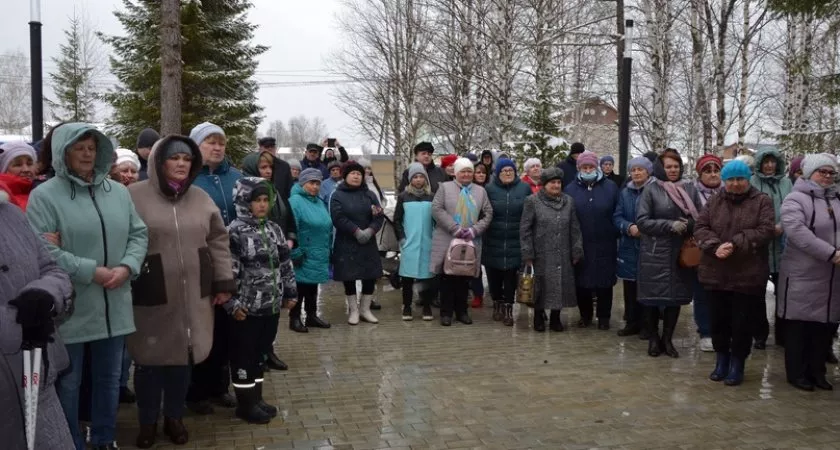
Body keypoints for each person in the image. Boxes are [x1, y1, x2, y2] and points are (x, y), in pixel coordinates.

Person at [26, 123, 149, 450]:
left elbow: (138, 234)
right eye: (78, 147)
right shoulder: (44, 196)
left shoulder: (118, 192)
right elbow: (43, 249)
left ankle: (105, 439)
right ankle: (72, 442)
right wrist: (90, 271)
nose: (86, 153)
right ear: (63, 152)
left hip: (115, 303)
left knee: (109, 381)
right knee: (70, 384)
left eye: (92, 148)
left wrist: (127, 267)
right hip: (72, 309)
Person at [127, 136, 235, 447]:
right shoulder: (134, 196)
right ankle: (147, 421)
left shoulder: (200, 198)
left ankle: (174, 418)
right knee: (149, 363)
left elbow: (218, 240)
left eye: (186, 159)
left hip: (194, 295)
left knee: (181, 362)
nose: (181, 164)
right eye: (174, 158)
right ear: (158, 162)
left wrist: (223, 282)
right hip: (149, 293)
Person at [0, 188, 75, 450]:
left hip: (38, 377)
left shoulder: (10, 214)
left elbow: (51, 267)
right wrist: (16, 322)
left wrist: (45, 294)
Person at [694, 160, 775, 386]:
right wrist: (714, 245)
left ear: (748, 180)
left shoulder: (761, 201)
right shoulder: (714, 200)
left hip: (747, 274)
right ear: (724, 181)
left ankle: (737, 363)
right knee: (719, 322)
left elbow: (765, 230)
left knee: (741, 324)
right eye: (731, 179)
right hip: (716, 272)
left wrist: (737, 243)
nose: (736, 184)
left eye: (740, 179)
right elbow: (700, 227)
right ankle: (722, 360)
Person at [225, 177, 297, 424]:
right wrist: (232, 303)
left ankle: (256, 398)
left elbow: (285, 264)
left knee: (260, 355)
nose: (263, 205)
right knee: (244, 356)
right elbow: (228, 272)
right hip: (246, 309)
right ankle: (245, 404)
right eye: (257, 200)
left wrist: (290, 292)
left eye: (266, 200)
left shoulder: (274, 229)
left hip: (271, 306)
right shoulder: (235, 231)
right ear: (245, 202)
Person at [187, 121, 241, 414]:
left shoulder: (237, 177)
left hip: (235, 265)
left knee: (226, 329)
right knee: (200, 328)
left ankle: (220, 387)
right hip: (200, 264)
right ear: (197, 146)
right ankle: (196, 391)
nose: (218, 147)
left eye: (221, 142)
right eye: (210, 142)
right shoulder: (189, 178)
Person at [777, 154, 840, 391]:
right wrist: (831, 253)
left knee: (824, 327)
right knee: (799, 327)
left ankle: (818, 371)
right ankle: (797, 373)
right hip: (803, 275)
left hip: (832, 276)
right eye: (821, 172)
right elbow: (797, 232)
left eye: (830, 172)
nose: (826, 176)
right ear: (808, 173)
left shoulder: (837, 198)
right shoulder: (795, 199)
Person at [636, 148, 701, 359]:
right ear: (660, 168)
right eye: (669, 167)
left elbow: (701, 219)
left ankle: (668, 339)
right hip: (655, 253)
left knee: (675, 298)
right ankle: (654, 339)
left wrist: (689, 224)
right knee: (653, 299)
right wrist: (669, 225)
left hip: (680, 254)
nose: (673, 170)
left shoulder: (690, 189)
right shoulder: (651, 190)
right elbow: (642, 221)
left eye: (676, 166)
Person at [244, 145, 297, 371]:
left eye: (270, 167)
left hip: (278, 252)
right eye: (262, 167)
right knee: (256, 314)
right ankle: (255, 355)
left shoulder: (273, 191)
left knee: (273, 312)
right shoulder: (245, 194)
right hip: (255, 260)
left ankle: (268, 350)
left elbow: (287, 215)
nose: (267, 171)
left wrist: (291, 237)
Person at [430, 158, 493, 326]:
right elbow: (436, 209)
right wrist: (454, 228)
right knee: (447, 277)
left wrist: (475, 230)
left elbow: (488, 213)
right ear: (456, 173)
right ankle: (446, 312)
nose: (466, 174)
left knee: (465, 277)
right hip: (447, 237)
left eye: (469, 171)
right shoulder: (444, 188)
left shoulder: (480, 191)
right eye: (462, 171)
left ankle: (462, 311)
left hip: (470, 239)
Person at [520, 167, 583, 332]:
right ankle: (538, 316)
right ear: (544, 184)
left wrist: (576, 249)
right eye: (552, 183)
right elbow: (525, 229)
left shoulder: (569, 201)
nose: (556, 185)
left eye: (558, 182)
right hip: (540, 252)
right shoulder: (532, 201)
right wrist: (528, 252)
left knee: (560, 285)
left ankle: (556, 318)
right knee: (540, 286)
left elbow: (574, 227)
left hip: (563, 250)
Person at [565, 151, 619, 330]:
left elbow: (617, 212)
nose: (588, 170)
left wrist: (613, 232)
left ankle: (604, 317)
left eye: (591, 167)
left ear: (597, 167)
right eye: (584, 167)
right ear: (579, 168)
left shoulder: (610, 187)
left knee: (604, 282)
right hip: (581, 242)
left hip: (605, 242)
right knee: (582, 282)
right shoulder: (570, 189)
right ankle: (585, 315)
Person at [330, 160, 385, 325]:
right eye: (353, 173)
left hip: (368, 241)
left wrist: (370, 231)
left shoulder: (370, 195)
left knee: (370, 276)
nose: (356, 176)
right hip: (347, 241)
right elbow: (338, 217)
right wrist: (355, 231)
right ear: (345, 176)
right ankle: (353, 310)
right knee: (349, 277)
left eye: (359, 174)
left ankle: (365, 310)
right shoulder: (337, 195)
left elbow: (378, 216)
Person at [750, 148, 792, 349]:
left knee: (784, 293)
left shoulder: (787, 183)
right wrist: (766, 229)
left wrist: (783, 225)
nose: (769, 165)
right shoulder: (752, 183)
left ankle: (783, 334)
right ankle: (760, 334)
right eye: (765, 161)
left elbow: (793, 207)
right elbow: (748, 212)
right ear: (759, 163)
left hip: (784, 246)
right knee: (757, 294)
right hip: (760, 248)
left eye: (772, 161)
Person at [483, 158, 532, 325]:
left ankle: (508, 309)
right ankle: (497, 304)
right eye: (504, 171)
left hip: (515, 240)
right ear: (498, 174)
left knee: (511, 277)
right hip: (493, 240)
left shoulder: (524, 188)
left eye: (511, 170)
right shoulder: (489, 189)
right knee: (494, 277)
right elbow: (483, 212)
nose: (508, 173)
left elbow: (531, 211)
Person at [613, 157, 655, 337]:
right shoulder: (625, 193)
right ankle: (632, 322)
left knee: (647, 286)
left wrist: (646, 228)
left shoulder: (656, 190)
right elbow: (617, 216)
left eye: (640, 169)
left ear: (648, 171)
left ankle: (648, 325)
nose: (636, 173)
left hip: (650, 246)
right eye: (633, 170)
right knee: (630, 287)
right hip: (629, 244)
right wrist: (629, 227)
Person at [288, 169, 333, 331]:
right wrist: (295, 252)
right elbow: (291, 228)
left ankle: (311, 316)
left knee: (313, 286)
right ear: (302, 183)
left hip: (319, 252)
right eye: (311, 183)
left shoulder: (319, 202)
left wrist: (330, 247)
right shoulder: (295, 202)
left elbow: (327, 226)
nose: (315, 187)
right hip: (304, 253)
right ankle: (294, 318)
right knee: (300, 287)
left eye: (318, 183)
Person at [394, 163, 436, 321]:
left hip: (427, 242)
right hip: (409, 243)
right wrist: (402, 238)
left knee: (427, 278)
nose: (418, 180)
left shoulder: (431, 197)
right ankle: (407, 307)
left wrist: (435, 237)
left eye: (421, 177)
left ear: (425, 179)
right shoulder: (404, 197)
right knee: (407, 277)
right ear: (410, 180)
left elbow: (436, 220)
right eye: (415, 177)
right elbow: (396, 220)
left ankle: (426, 306)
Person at [693, 154, 724, 352]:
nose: (713, 174)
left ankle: (722, 330)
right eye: (707, 171)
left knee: (722, 293)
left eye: (716, 170)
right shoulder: (692, 193)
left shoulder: (729, 191)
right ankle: (705, 331)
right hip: (701, 249)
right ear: (700, 174)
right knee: (702, 292)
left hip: (725, 249)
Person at [469, 162, 490, 308]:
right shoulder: (469, 190)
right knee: (473, 264)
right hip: (474, 231)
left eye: (483, 172)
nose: (481, 174)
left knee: (489, 264)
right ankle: (477, 294)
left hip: (490, 231)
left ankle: (494, 293)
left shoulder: (491, 188)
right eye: (478, 172)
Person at [0, 141, 38, 210]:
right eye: (18, 165)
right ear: (4, 169)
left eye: (29, 164)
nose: (26, 169)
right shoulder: (3, 200)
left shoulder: (43, 190)